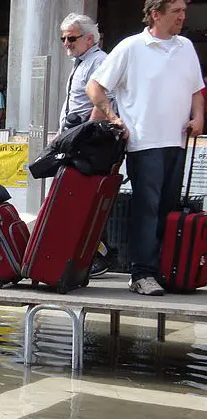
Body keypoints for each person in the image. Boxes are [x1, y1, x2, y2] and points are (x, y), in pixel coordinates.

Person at [87, 0, 204, 296]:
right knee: (147, 208)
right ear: (156, 14)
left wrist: (199, 117)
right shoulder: (131, 47)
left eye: (183, 11)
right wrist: (114, 118)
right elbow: (95, 86)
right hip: (144, 141)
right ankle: (141, 272)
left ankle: (163, 269)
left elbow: (196, 89)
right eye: (176, 11)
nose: (182, 16)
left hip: (177, 141)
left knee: (166, 208)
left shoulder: (186, 47)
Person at [58, 12, 113, 277]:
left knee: (84, 201)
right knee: (76, 201)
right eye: (63, 38)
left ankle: (97, 254)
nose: (66, 43)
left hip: (87, 142)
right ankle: (90, 254)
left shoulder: (98, 61)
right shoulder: (81, 62)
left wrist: (84, 136)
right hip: (77, 138)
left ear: (89, 38)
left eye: (71, 38)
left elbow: (100, 102)